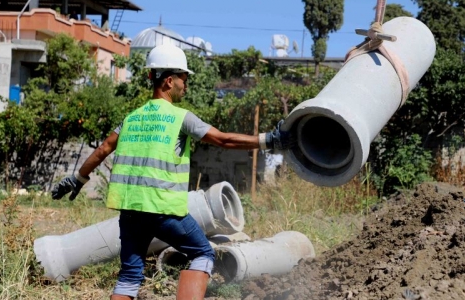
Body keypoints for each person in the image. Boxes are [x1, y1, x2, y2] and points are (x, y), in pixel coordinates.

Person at [51, 43, 295, 300]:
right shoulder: (180, 117)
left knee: (130, 274)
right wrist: (270, 140)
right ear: (169, 81)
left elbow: (102, 150)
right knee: (202, 254)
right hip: (163, 208)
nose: (186, 86)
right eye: (184, 79)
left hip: (131, 210)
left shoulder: (131, 118)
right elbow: (223, 140)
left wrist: (77, 179)